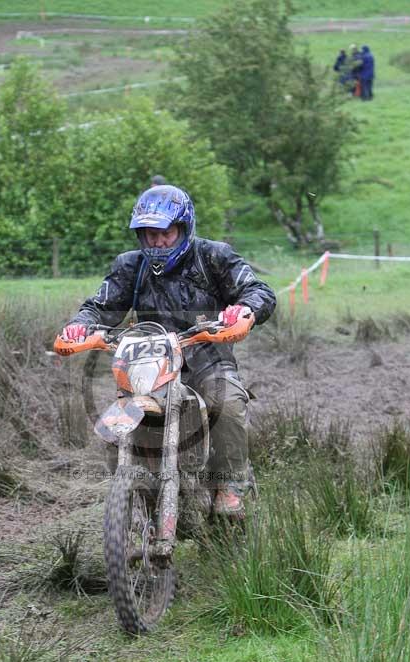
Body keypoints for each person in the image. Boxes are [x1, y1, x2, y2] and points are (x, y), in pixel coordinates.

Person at [60, 185, 276, 515]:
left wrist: (245, 309)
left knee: (227, 403)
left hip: (206, 359)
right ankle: (134, 487)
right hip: (148, 364)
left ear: (183, 229)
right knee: (124, 415)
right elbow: (99, 306)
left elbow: (258, 290)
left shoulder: (213, 256)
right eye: (150, 234)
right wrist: (80, 325)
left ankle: (229, 486)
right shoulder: (129, 266)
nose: (158, 242)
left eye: (166, 233)